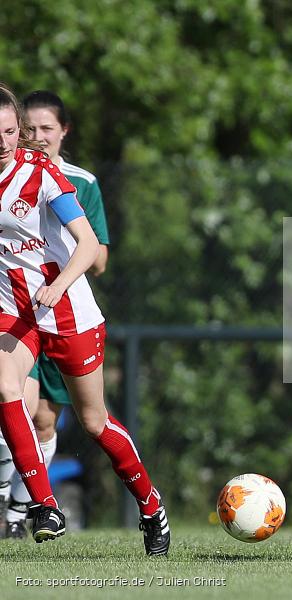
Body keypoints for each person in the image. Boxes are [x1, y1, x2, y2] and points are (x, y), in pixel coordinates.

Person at [0, 83, 169, 555]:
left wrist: (57, 285)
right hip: (14, 313)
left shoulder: (43, 174)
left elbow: (90, 244)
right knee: (6, 388)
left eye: (10, 131)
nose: (3, 141)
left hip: (69, 311)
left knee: (95, 422)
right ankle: (42, 505)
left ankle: (152, 506)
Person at [0, 90, 111, 539]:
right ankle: (21, 514)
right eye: (34, 129)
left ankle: (29, 509)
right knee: (14, 398)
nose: (39, 137)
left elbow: (97, 255)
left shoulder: (75, 182)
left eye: (49, 129)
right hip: (19, 313)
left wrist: (54, 264)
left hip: (65, 312)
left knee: (56, 418)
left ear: (64, 131)